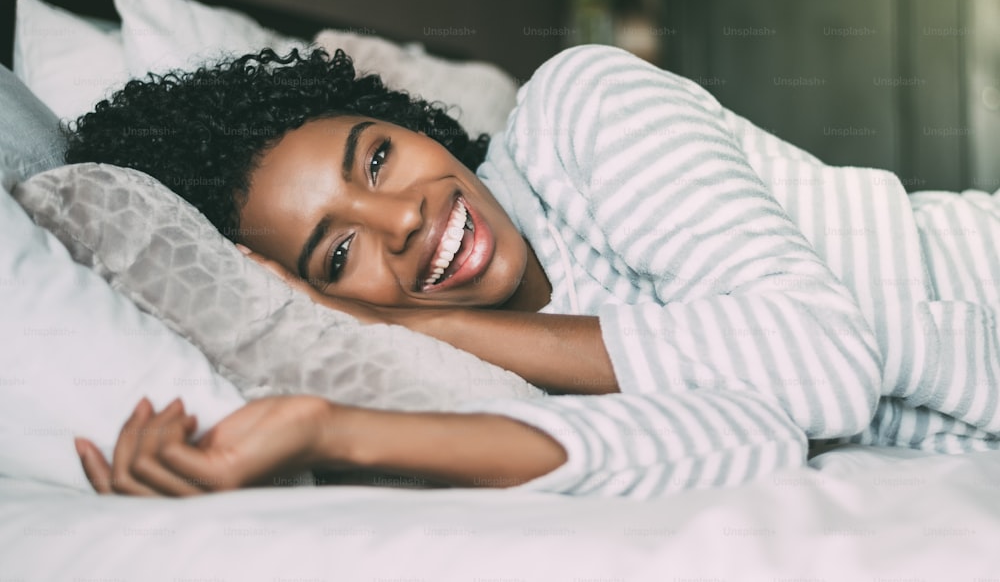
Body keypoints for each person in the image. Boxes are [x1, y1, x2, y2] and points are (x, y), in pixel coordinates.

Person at [66, 45, 1000, 498]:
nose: (405, 221)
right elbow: (750, 438)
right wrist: (325, 429)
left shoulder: (581, 107)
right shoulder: (470, 378)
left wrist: (414, 322)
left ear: (413, 123)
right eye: (339, 253)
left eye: (378, 158)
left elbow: (822, 365)